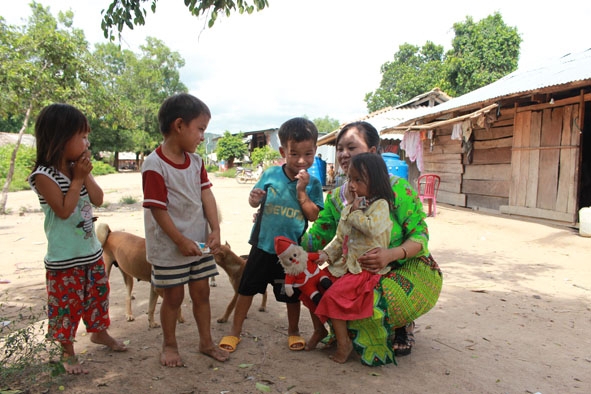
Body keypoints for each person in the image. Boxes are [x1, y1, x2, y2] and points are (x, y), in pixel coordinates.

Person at [302, 121, 443, 366]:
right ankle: (348, 334)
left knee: (375, 296)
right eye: (340, 148)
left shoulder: (397, 189)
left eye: (352, 147)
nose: (344, 154)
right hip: (357, 267)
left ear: (374, 152)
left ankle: (400, 325)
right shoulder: (337, 197)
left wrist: (390, 254)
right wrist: (289, 225)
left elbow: (420, 237)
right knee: (318, 286)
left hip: (403, 266)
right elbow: (318, 237)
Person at [28, 103, 127, 375]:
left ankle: (99, 332)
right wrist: (77, 179)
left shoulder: (78, 169)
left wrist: (85, 175)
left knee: (98, 297)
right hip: (64, 260)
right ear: (60, 137)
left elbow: (98, 199)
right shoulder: (43, 176)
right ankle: (67, 351)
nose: (87, 142)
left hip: (91, 252)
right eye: (82, 136)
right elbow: (63, 210)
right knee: (66, 308)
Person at [218, 117, 324, 353]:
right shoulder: (271, 174)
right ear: (282, 151)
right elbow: (255, 201)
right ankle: (234, 331)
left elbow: (314, 215)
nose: (300, 160)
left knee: (291, 294)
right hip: (263, 245)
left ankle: (293, 331)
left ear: (315, 151)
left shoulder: (313, 183)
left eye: (308, 154)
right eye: (294, 153)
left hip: (290, 253)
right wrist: (254, 199)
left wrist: (301, 191)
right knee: (246, 289)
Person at [142, 93, 228, 366]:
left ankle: (206, 342)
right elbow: (158, 210)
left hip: (198, 244)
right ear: (179, 125)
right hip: (170, 249)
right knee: (174, 297)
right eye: (200, 129)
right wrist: (179, 241)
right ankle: (169, 345)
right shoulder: (154, 165)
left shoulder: (196, 162)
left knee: (202, 293)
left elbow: (207, 196)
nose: (203, 136)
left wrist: (215, 228)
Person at [314, 153, 394, 363]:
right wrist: (325, 255)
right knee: (312, 287)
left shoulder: (381, 206)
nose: (352, 185)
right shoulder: (351, 207)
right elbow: (341, 239)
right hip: (344, 266)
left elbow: (371, 227)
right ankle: (321, 331)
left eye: (359, 180)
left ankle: (344, 344)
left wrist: (354, 212)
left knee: (332, 297)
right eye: (350, 179)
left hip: (363, 270)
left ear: (375, 181)